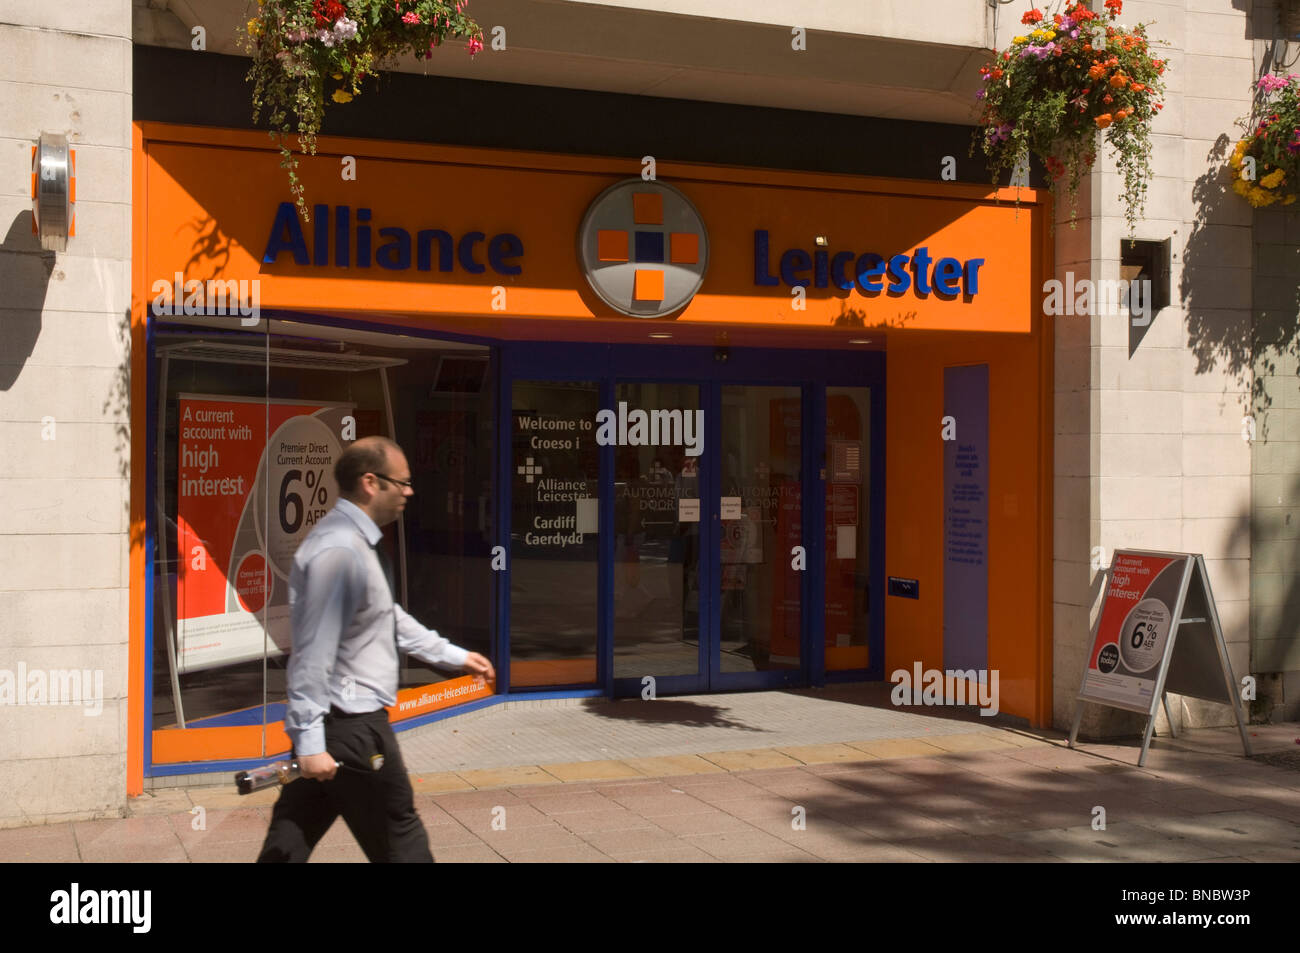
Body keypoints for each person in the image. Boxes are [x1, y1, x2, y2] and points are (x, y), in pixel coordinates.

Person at [257, 435, 494, 863]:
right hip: (351, 728)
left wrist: (452, 656)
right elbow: (313, 653)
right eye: (400, 482)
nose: (409, 491)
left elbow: (385, 616)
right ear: (370, 482)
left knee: (290, 839)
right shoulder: (341, 551)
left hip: (337, 726)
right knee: (399, 833)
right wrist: (310, 741)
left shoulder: (354, 544)